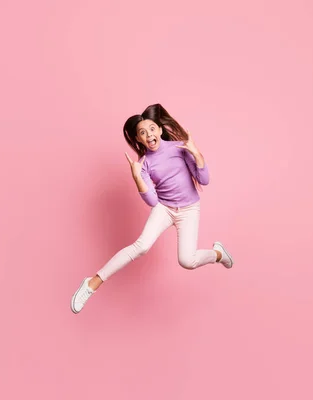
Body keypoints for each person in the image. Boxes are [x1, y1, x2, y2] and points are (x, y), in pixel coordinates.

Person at [70, 103, 233, 313]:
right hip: (164, 208)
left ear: (161, 129)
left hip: (189, 209)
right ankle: (92, 283)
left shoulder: (180, 148)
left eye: (152, 129)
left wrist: (196, 153)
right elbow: (152, 201)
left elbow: (205, 179)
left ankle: (218, 254)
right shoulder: (144, 163)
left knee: (187, 260)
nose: (149, 135)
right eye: (142, 133)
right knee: (142, 246)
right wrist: (137, 176)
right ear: (138, 139)